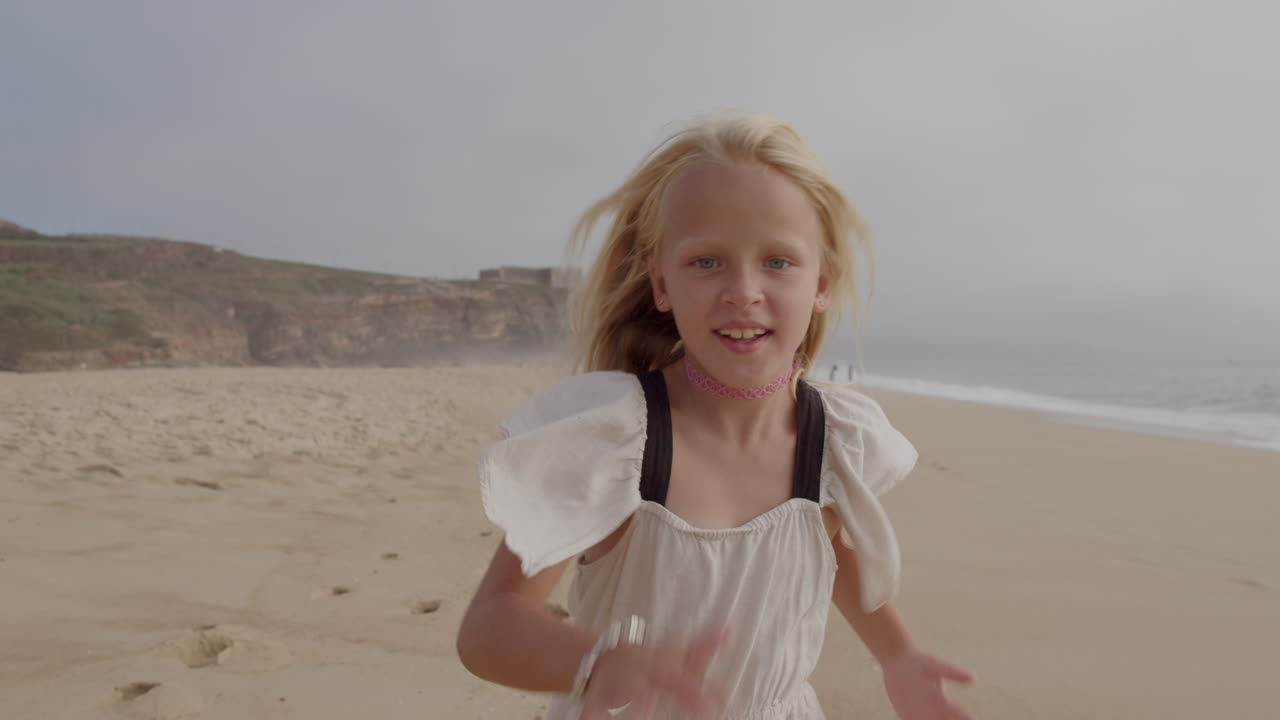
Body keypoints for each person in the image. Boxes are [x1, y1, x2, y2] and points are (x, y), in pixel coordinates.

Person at [457, 113, 974, 719]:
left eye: (778, 262)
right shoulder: (617, 441)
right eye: (707, 262)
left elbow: (827, 553)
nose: (744, 290)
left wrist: (899, 657)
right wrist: (597, 662)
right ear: (662, 283)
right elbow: (490, 627)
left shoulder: (832, 440)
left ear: (821, 286)